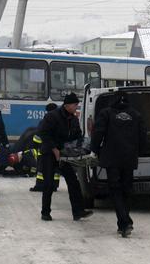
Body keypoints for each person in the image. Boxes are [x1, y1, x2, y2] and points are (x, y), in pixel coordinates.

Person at [91, 94, 147, 238]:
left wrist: (95, 149)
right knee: (126, 190)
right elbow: (143, 136)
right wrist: (138, 152)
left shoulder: (106, 113)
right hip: (129, 158)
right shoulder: (136, 115)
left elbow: (98, 133)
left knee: (115, 190)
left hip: (112, 158)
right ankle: (123, 224)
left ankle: (125, 222)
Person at [39, 92, 92, 221]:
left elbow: (77, 136)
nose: (76, 107)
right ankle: (45, 212)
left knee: (73, 182)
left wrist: (80, 148)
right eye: (75, 105)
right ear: (67, 105)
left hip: (65, 155)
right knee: (48, 183)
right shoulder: (52, 116)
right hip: (49, 154)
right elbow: (43, 133)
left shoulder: (73, 119)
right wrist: (54, 148)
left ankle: (78, 211)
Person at [30, 102, 60, 192]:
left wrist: (35, 145)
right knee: (55, 169)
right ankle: (54, 186)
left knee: (41, 169)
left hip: (44, 149)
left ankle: (39, 185)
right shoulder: (61, 120)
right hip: (57, 150)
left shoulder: (44, 121)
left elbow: (38, 137)